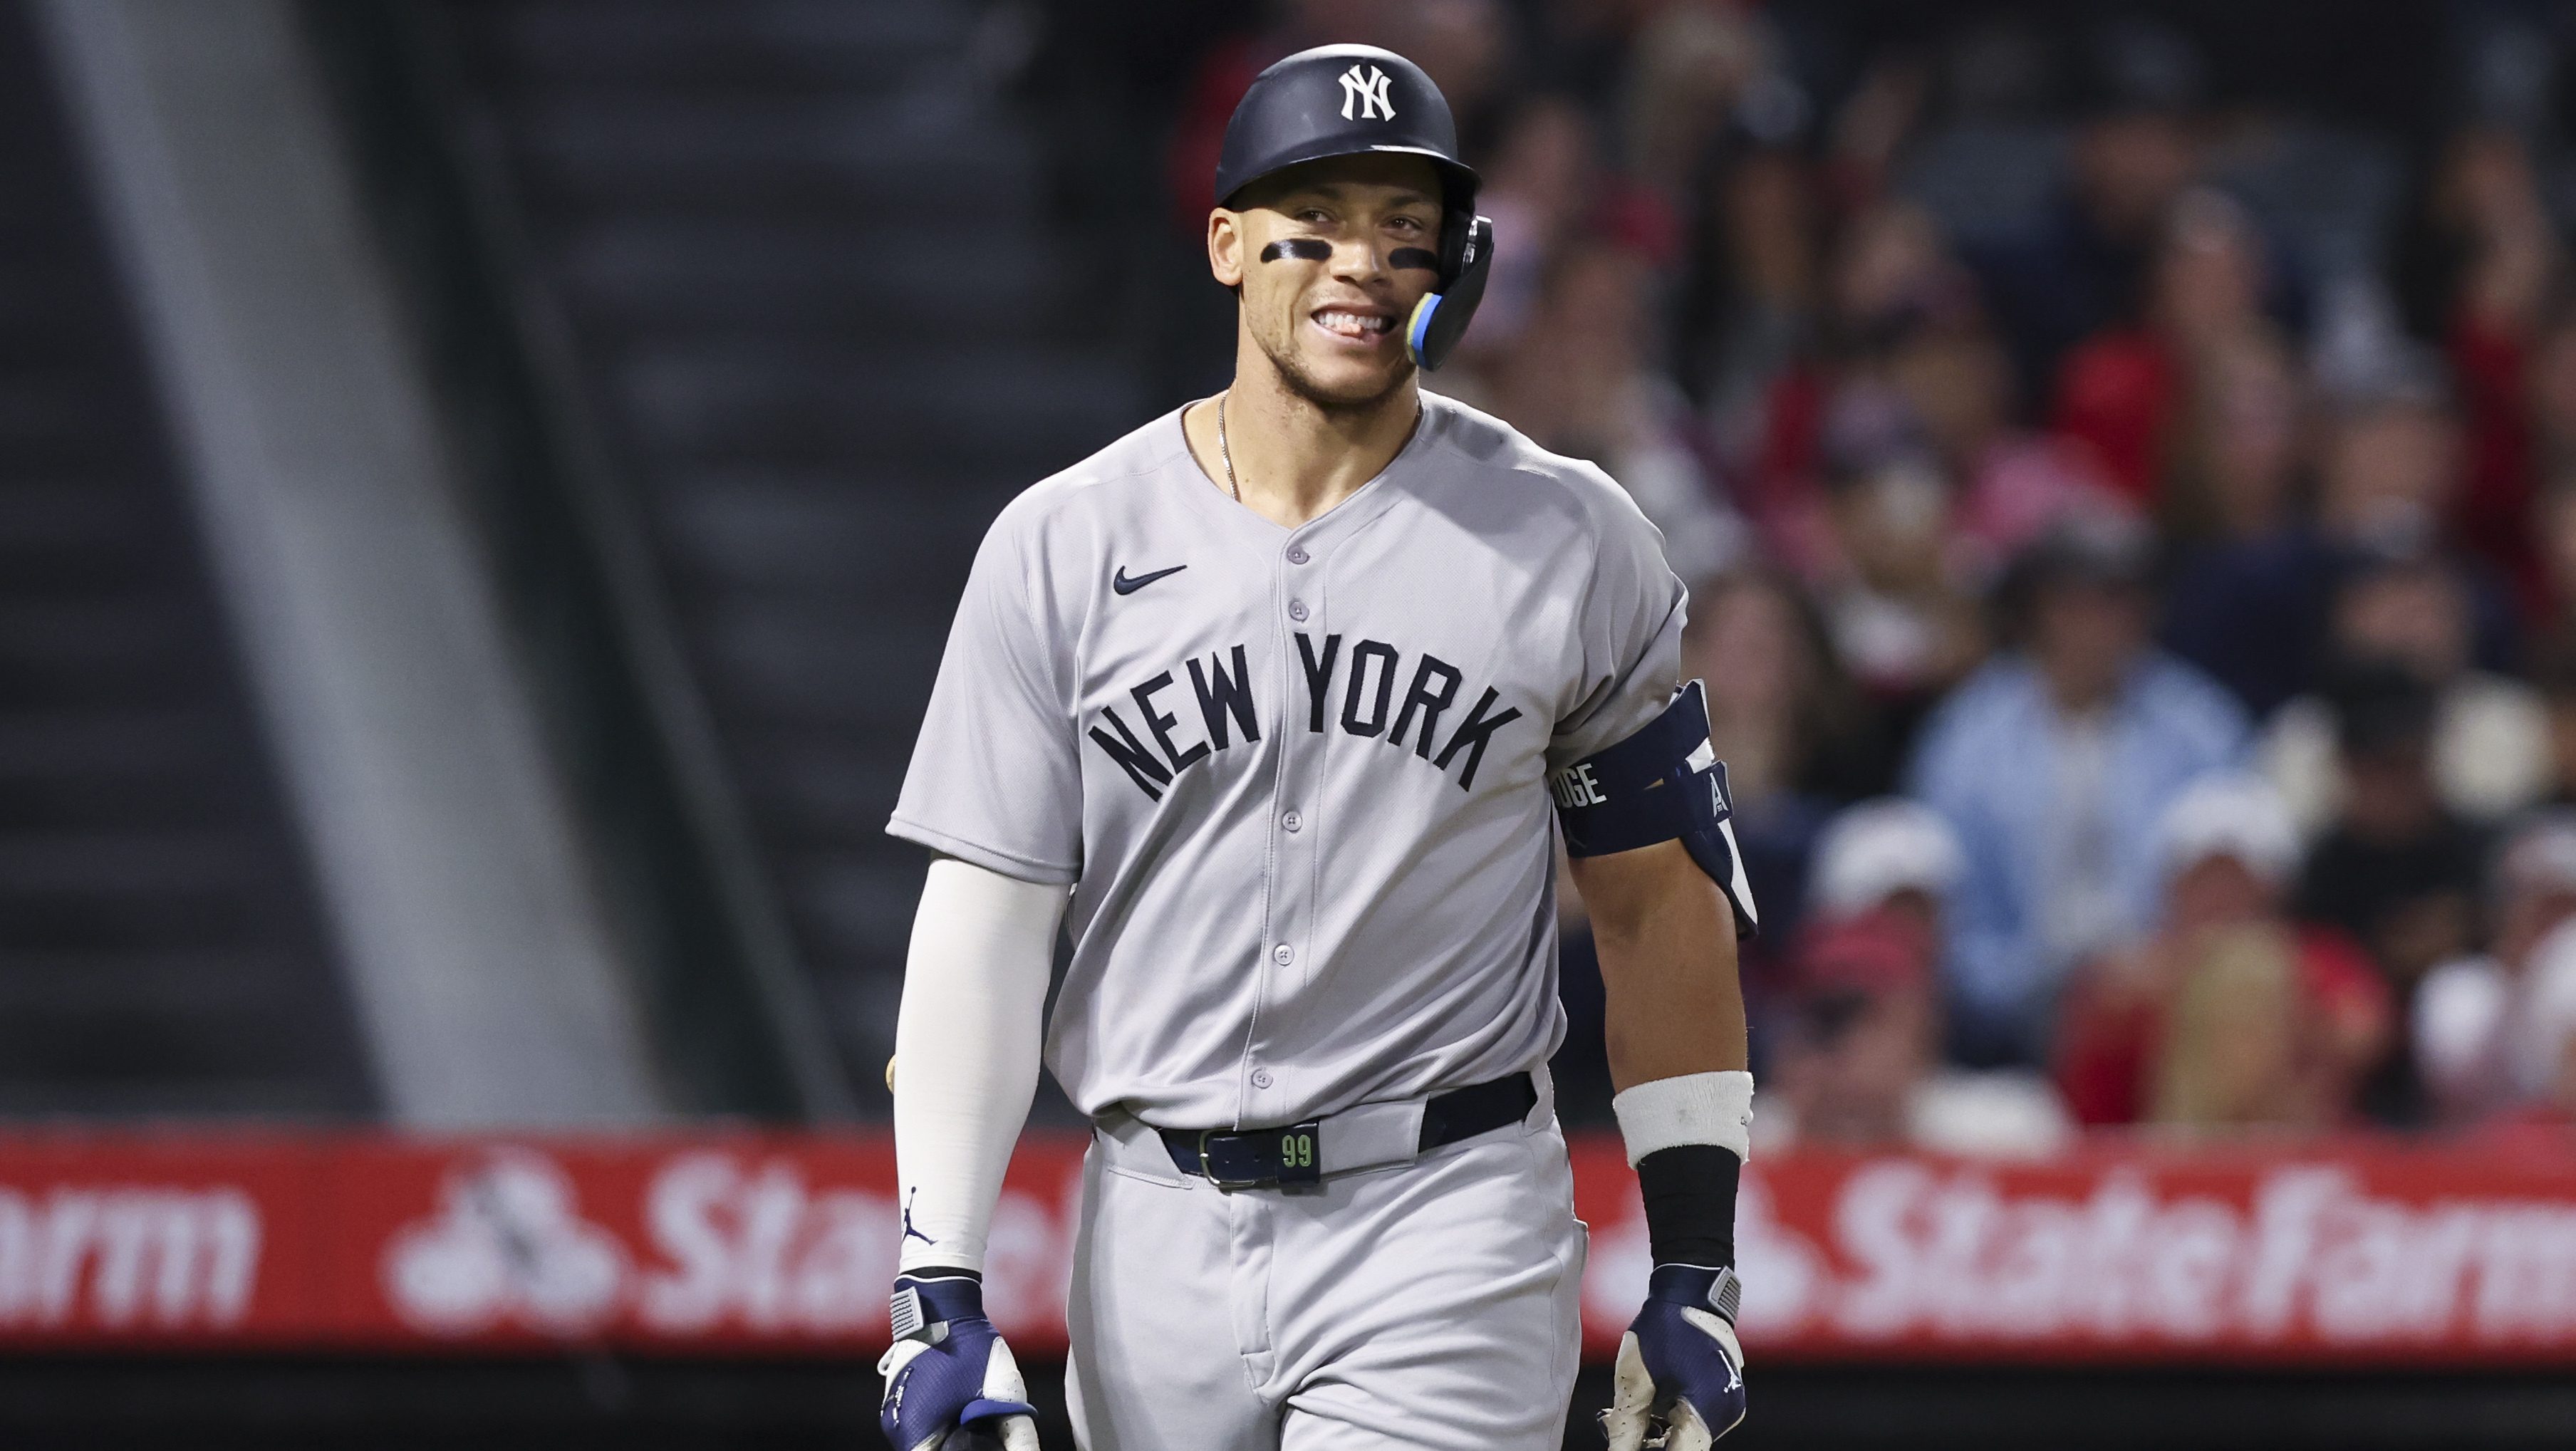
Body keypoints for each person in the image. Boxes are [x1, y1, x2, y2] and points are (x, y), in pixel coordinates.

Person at [876, 47, 1760, 1451]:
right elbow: (985, 915)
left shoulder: (1570, 536)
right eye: (1319, 219)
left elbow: (1658, 902)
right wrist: (937, 1275)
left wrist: (1693, 1260)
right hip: (1150, 1223)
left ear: (1452, 262)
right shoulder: (1062, 542)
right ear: (1227, 243)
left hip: (1445, 1208)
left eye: (1403, 228)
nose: (1362, 261)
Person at [1906, 513, 2249, 1066]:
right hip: (2005, 1022)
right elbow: (1941, 907)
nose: (2096, 623)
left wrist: (2160, 970)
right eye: (2075, 602)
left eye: (2116, 602)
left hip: (2170, 1012)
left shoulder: (2202, 727)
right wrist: (2046, 986)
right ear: (2039, 612)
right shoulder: (1967, 738)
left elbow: (2241, 887)